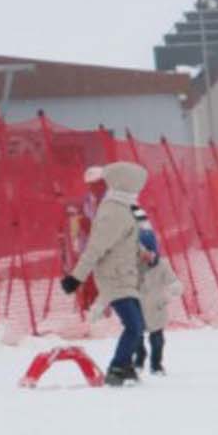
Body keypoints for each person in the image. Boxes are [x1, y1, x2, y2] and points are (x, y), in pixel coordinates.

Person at [58, 162, 149, 386]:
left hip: (126, 274)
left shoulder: (125, 207)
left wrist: (144, 253)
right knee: (133, 325)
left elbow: (127, 240)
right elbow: (96, 248)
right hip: (114, 276)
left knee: (138, 324)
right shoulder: (113, 212)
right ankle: (117, 367)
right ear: (125, 182)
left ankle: (126, 365)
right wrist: (76, 278)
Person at [131, 227, 182, 375]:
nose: (147, 256)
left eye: (151, 252)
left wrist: (174, 287)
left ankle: (156, 364)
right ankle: (139, 358)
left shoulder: (162, 265)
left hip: (156, 308)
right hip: (136, 307)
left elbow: (172, 280)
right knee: (135, 337)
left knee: (158, 340)